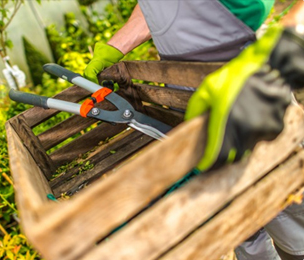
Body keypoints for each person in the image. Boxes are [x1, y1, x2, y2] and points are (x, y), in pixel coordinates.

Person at [84, 1, 304, 259]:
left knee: (285, 198)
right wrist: (114, 47)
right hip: (184, 87)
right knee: (233, 205)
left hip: (247, 78)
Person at [84, 0, 275, 84]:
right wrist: (113, 48)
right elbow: (159, 7)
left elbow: (254, 8)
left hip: (238, 76)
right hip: (182, 87)